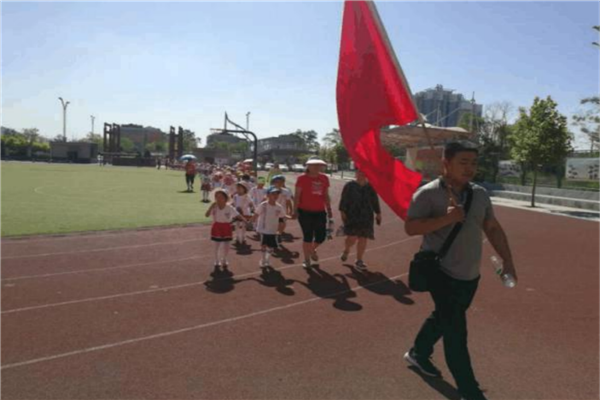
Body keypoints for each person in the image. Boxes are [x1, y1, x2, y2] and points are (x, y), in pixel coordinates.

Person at [403, 142, 517, 400]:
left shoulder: (480, 194)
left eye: (473, 163)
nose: (470, 168)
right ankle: (469, 390)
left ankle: (418, 353)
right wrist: (447, 218)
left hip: (470, 274)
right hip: (440, 272)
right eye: (463, 162)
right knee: (456, 330)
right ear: (446, 163)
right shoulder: (427, 194)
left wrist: (508, 261)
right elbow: (411, 228)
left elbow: (493, 228)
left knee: (444, 317)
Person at [338, 169, 382, 272]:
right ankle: (346, 250)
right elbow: (343, 200)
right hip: (352, 215)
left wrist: (378, 213)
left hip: (366, 216)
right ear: (356, 173)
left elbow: (375, 201)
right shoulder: (349, 186)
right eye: (359, 172)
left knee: (363, 238)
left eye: (364, 172)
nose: (361, 174)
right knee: (351, 238)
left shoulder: (370, 187)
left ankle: (359, 260)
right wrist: (342, 213)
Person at [292, 158, 332, 269]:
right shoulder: (301, 179)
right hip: (304, 212)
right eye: (314, 165)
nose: (317, 168)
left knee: (321, 236)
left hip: (320, 211)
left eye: (319, 166)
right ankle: (306, 259)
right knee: (308, 236)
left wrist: (329, 209)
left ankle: (312, 249)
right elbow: (297, 196)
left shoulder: (324, 178)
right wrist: (294, 210)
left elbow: (326, 195)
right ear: (308, 167)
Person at [205, 189, 242, 271]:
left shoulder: (229, 207)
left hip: (226, 227)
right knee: (216, 245)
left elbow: (238, 215)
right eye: (217, 197)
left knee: (226, 245)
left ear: (225, 198)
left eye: (221, 197)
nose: (219, 199)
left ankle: (224, 259)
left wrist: (246, 220)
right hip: (217, 226)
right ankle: (216, 260)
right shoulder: (214, 207)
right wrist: (211, 206)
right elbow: (206, 215)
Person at [253, 187, 286, 268]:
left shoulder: (279, 207)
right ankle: (263, 259)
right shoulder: (263, 205)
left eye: (277, 194)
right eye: (273, 194)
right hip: (263, 229)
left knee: (271, 247)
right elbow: (256, 214)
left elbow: (283, 217)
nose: (275, 196)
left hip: (273, 230)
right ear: (268, 195)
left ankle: (267, 258)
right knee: (263, 245)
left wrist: (281, 229)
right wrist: (250, 222)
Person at [270, 175, 294, 248]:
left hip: (282, 211)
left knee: (282, 224)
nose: (279, 184)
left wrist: (291, 210)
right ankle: (273, 236)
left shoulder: (286, 191)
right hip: (272, 211)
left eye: (281, 182)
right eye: (277, 182)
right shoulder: (270, 191)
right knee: (273, 225)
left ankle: (279, 234)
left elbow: (288, 201)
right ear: (273, 183)